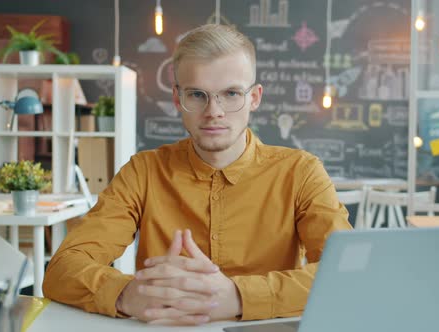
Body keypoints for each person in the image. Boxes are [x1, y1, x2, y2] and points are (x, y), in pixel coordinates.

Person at [43, 23, 350, 325]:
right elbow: (62, 269)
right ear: (178, 98)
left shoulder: (301, 172)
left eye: (230, 94)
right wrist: (124, 293)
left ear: (254, 98)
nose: (214, 110)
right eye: (197, 95)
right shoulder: (144, 172)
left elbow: (347, 274)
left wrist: (239, 297)